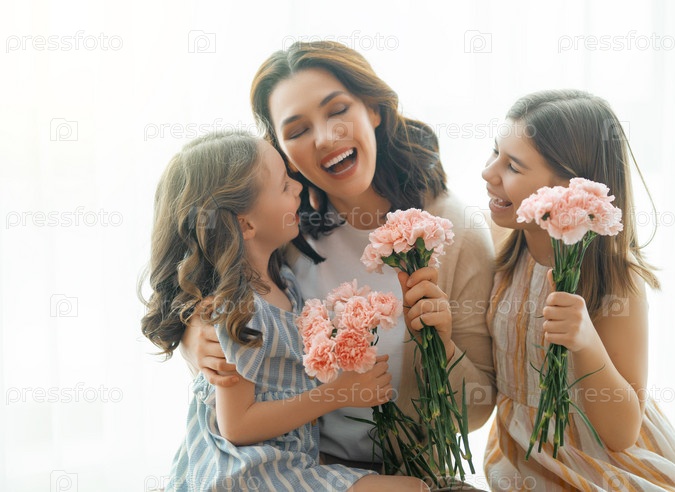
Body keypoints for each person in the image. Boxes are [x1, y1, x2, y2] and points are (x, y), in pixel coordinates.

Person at [180, 41, 496, 485]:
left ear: (374, 109)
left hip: (401, 473)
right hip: (293, 469)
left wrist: (439, 345)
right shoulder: (281, 231)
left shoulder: (452, 231)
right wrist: (195, 341)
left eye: (338, 110)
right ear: (281, 152)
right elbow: (211, 296)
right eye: (297, 130)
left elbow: (478, 411)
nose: (326, 138)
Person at [140, 130, 427, 491]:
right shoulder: (236, 308)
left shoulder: (283, 280)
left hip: (286, 463)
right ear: (246, 224)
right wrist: (340, 393)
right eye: (283, 185)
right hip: (246, 473)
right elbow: (237, 426)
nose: (298, 187)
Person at [481, 90, 675, 491]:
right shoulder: (502, 245)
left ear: (571, 189)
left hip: (604, 470)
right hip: (524, 465)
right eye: (495, 152)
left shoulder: (617, 280)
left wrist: (586, 341)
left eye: (512, 165)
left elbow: (622, 433)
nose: (488, 172)